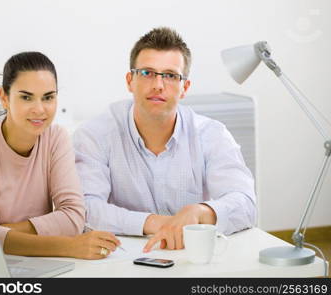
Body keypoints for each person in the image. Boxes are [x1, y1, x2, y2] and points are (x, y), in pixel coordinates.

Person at [73, 27, 257, 253]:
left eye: (170, 75)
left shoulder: (211, 134)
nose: (158, 85)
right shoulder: (95, 135)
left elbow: (246, 204)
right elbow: (85, 209)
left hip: (190, 255)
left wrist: (200, 212)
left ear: (184, 88)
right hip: (123, 258)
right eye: (147, 73)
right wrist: (158, 223)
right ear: (130, 81)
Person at [0, 51, 120, 260]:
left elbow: (74, 218)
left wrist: (0, 232)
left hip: (37, 261)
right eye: (26, 97)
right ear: (4, 97)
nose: (39, 109)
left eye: (48, 97)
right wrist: (67, 246)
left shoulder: (56, 139)